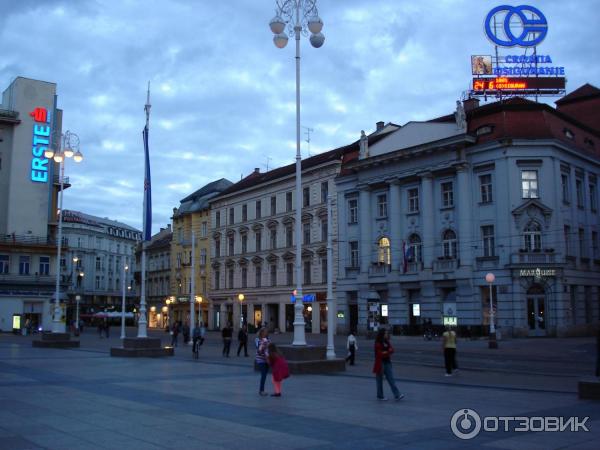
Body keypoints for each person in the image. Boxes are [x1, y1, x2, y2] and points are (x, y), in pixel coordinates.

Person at [373, 328, 404, 401]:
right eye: (386, 333)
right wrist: (387, 352)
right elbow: (380, 354)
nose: (387, 334)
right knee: (379, 381)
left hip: (387, 363)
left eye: (387, 333)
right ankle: (380, 396)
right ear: (382, 334)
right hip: (380, 364)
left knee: (391, 379)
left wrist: (386, 352)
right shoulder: (377, 343)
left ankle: (397, 395)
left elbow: (392, 349)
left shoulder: (387, 342)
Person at [255, 328, 270, 396]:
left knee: (264, 375)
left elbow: (267, 349)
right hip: (262, 360)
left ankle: (262, 390)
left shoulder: (266, 340)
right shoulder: (262, 340)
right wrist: (266, 358)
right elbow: (260, 351)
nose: (267, 333)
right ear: (262, 333)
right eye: (265, 332)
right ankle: (261, 390)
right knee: (263, 375)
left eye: (267, 332)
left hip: (265, 359)